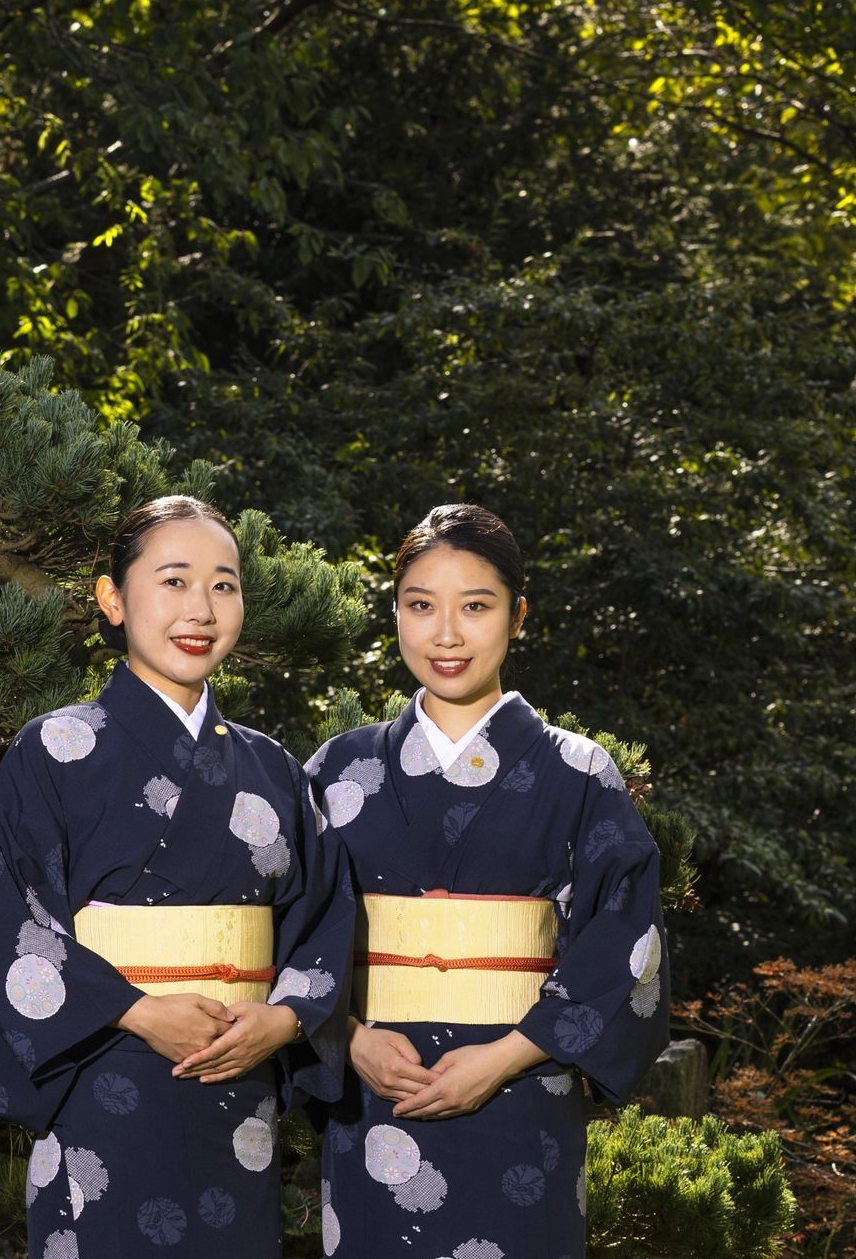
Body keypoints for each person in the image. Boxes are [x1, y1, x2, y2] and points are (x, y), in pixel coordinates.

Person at [0, 495, 353, 1259]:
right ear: (112, 597)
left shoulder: (271, 766)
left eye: (224, 584)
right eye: (173, 580)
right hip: (104, 1067)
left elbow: (326, 916)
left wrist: (283, 1020)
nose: (200, 608)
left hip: (239, 1080)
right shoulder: (54, 749)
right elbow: (9, 916)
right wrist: (137, 1010)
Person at [308, 503, 668, 1258]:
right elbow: (289, 933)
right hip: (375, 1091)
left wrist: (507, 1055)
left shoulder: (578, 772)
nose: (446, 634)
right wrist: (347, 1034)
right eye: (420, 605)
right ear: (396, 612)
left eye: (475, 606)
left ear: (517, 615)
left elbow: (624, 942)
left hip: (522, 1094)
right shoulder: (338, 770)